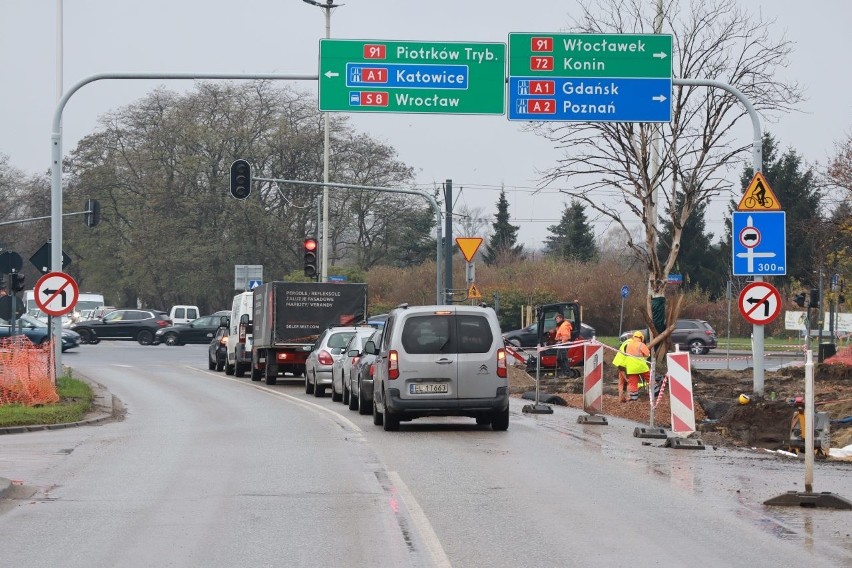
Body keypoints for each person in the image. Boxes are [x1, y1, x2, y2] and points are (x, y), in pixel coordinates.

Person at [623, 330, 650, 401]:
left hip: (631, 368)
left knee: (633, 383)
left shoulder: (628, 345)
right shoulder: (641, 344)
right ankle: (656, 393)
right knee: (650, 379)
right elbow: (647, 354)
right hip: (641, 367)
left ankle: (634, 399)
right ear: (641, 338)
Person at [552, 313, 573, 377]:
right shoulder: (561, 325)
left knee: (563, 359)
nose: (556, 320)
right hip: (561, 344)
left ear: (561, 318)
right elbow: (560, 333)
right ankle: (565, 373)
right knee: (559, 359)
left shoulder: (563, 326)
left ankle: (567, 373)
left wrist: (561, 341)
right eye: (556, 319)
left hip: (563, 344)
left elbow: (566, 336)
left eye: (557, 318)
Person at [612, 337, 630, 403]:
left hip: (620, 362)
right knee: (629, 382)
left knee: (621, 382)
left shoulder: (625, 343)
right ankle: (628, 398)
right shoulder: (634, 344)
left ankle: (620, 397)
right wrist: (626, 378)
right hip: (626, 364)